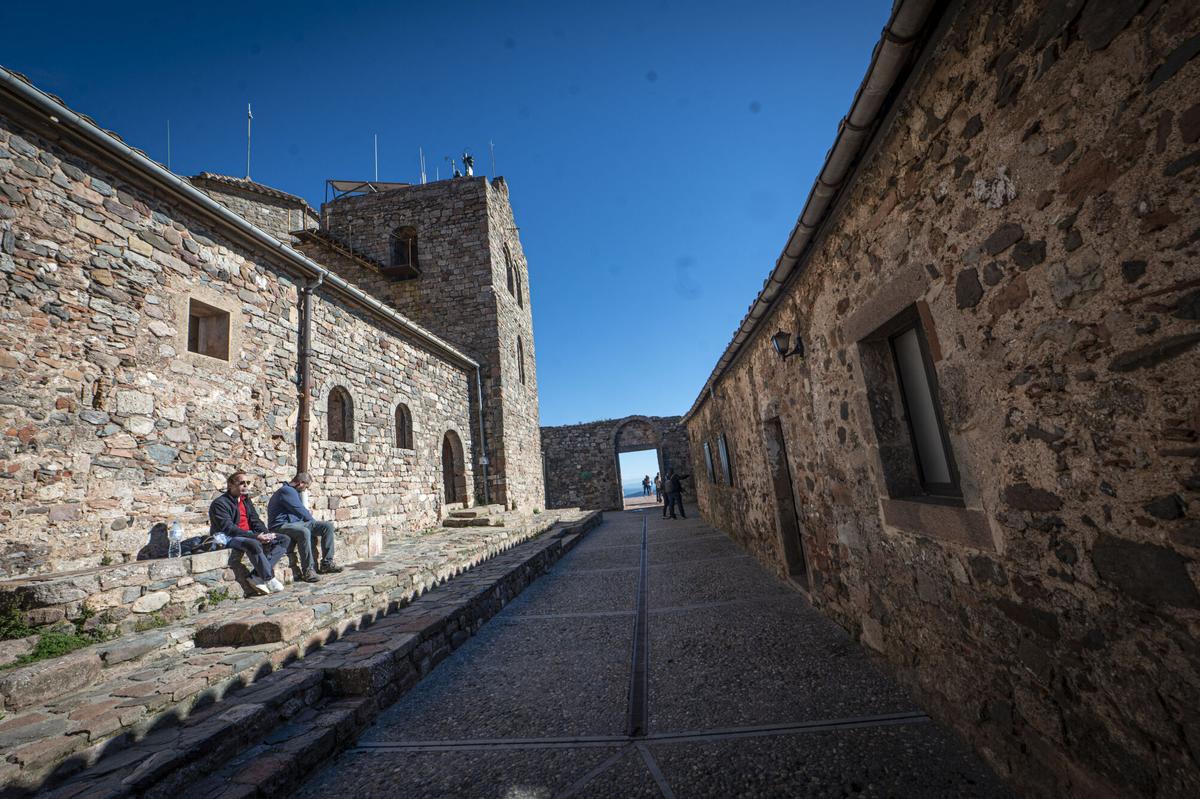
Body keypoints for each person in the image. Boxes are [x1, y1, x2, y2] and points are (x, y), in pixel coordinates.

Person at [209, 471, 289, 594]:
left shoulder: (245, 499)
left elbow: (255, 520)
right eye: (241, 483)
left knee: (283, 539)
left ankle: (256, 575)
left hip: (248, 533)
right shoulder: (220, 503)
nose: (246, 485)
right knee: (253, 543)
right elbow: (229, 528)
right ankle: (268, 578)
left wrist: (267, 534)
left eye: (248, 482)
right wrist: (256, 536)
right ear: (230, 485)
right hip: (229, 537)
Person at [268, 472, 342, 582]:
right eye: (306, 487)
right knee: (304, 531)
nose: (305, 490)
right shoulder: (286, 491)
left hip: (296, 523)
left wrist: (314, 525)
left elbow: (300, 513)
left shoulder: (293, 491)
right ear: (301, 483)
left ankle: (327, 563)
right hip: (281, 526)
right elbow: (299, 509)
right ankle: (308, 571)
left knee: (327, 526)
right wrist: (313, 523)